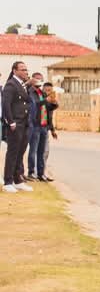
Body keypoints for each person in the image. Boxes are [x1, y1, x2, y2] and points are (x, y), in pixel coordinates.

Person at [2, 61, 33, 193]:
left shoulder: (22, 85)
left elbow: (26, 101)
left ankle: (17, 180)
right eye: (22, 69)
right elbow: (6, 104)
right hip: (15, 124)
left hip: (24, 123)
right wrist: (11, 121)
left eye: (26, 69)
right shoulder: (11, 84)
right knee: (13, 153)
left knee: (20, 152)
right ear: (14, 71)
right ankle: (8, 181)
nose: (25, 72)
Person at [25, 72, 53, 182]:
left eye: (41, 79)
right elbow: (34, 104)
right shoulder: (30, 92)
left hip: (44, 125)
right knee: (33, 150)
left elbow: (47, 107)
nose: (39, 81)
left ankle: (41, 173)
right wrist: (45, 101)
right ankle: (31, 172)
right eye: (37, 79)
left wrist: (54, 103)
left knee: (41, 151)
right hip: (35, 125)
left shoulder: (42, 92)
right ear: (32, 79)